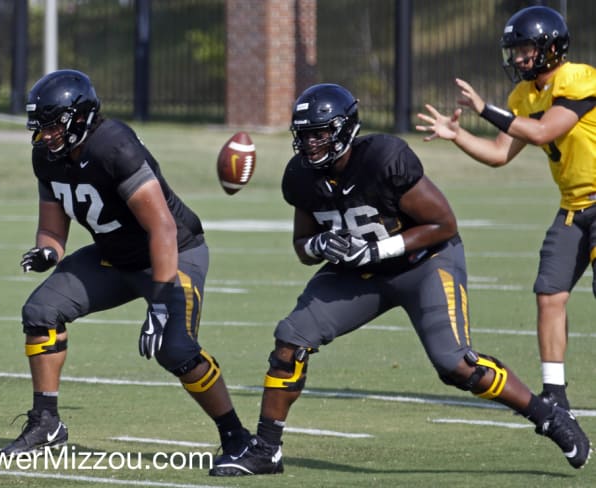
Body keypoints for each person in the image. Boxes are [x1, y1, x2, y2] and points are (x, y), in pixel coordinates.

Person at [209, 83, 592, 476]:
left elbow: (443, 223)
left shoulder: (384, 158)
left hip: (425, 262)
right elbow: (302, 247)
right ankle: (266, 450)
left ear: (344, 130)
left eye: (319, 134)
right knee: (290, 339)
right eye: (304, 135)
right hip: (359, 274)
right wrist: (322, 243)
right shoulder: (302, 178)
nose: (310, 144)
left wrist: (377, 250)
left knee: (457, 365)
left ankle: (547, 414)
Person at [1, 69, 249, 459]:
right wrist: (48, 251)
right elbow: (53, 229)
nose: (44, 136)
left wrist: (162, 301)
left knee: (175, 349)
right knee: (41, 311)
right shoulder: (47, 158)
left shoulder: (114, 145)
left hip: (173, 252)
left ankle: (236, 437)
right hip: (115, 257)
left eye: (53, 126)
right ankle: (47, 423)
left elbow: (163, 228)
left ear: (80, 118)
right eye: (40, 127)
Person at [416, 5, 596, 411]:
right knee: (549, 293)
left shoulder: (578, 78)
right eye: (515, 51)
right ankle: (554, 393)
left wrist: (483, 109)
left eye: (526, 49)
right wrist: (458, 134)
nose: (518, 58)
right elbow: (500, 154)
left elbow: (544, 131)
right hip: (573, 207)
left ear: (551, 47)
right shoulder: (523, 95)